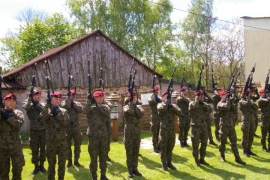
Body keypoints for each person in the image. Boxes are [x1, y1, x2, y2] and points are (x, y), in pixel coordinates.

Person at [41, 92, 69, 180]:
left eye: (59, 99)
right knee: (51, 165)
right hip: (51, 142)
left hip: (62, 142)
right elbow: (42, 117)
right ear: (52, 100)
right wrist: (47, 106)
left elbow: (66, 122)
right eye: (55, 99)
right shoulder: (47, 111)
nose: (57, 101)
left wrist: (56, 114)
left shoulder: (64, 111)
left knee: (62, 165)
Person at [83, 90, 110, 180]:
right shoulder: (90, 107)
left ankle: (103, 175)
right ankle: (94, 176)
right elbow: (84, 110)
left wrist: (97, 104)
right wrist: (88, 100)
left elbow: (106, 111)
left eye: (102, 97)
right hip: (93, 137)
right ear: (94, 98)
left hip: (103, 136)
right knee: (93, 158)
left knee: (103, 157)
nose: (100, 99)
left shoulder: (105, 106)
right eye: (98, 97)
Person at [0, 93, 25, 180]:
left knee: (18, 169)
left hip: (16, 146)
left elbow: (18, 125)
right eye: (9, 101)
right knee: (3, 171)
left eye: (13, 101)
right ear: (4, 101)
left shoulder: (18, 113)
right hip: (2, 146)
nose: (11, 102)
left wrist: (7, 117)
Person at [217, 90, 246, 165]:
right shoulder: (219, 104)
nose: (225, 96)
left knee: (234, 142)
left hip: (231, 126)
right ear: (221, 96)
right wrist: (228, 100)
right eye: (224, 95)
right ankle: (222, 156)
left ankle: (237, 158)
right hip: (224, 126)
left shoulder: (229, 102)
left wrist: (232, 98)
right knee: (222, 142)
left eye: (226, 95)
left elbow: (234, 109)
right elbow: (227, 107)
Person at [23, 90, 46, 174]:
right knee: (34, 149)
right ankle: (36, 166)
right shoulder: (30, 105)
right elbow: (26, 107)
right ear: (33, 96)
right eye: (36, 95)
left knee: (43, 148)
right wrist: (29, 99)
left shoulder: (42, 104)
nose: (38, 96)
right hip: (34, 131)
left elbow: (45, 111)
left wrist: (37, 104)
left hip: (43, 130)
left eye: (39, 95)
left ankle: (42, 165)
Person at [158, 90, 181, 171]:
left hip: (171, 129)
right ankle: (164, 163)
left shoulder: (172, 105)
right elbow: (162, 109)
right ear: (163, 97)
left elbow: (180, 112)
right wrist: (167, 102)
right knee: (164, 146)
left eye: (168, 96)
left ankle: (169, 162)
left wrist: (172, 106)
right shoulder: (160, 104)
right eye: (166, 96)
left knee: (171, 146)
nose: (167, 97)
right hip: (164, 129)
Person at [123, 90, 144, 178]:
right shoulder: (126, 107)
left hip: (136, 133)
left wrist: (135, 105)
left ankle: (135, 169)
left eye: (135, 97)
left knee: (136, 152)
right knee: (129, 153)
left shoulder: (139, 106)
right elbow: (130, 112)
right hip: (129, 133)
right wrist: (131, 103)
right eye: (133, 97)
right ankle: (130, 171)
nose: (134, 98)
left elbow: (141, 114)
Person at [61, 90, 83, 167]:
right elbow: (64, 107)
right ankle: (69, 161)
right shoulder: (64, 102)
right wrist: (68, 101)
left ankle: (76, 160)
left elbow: (80, 109)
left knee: (77, 144)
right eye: (70, 95)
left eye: (73, 95)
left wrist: (73, 104)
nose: (72, 96)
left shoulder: (77, 103)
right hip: (67, 127)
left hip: (76, 126)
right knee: (67, 145)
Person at [189, 90, 211, 166]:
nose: (202, 97)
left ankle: (202, 159)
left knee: (204, 143)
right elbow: (194, 106)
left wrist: (203, 104)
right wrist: (197, 100)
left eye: (202, 96)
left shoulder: (203, 104)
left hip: (203, 127)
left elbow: (210, 110)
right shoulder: (192, 103)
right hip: (195, 127)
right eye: (200, 96)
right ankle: (196, 160)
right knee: (195, 145)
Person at [239, 89, 257, 157]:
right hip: (246, 120)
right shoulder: (241, 101)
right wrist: (249, 99)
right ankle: (244, 150)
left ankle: (249, 149)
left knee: (251, 135)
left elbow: (256, 107)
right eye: (248, 93)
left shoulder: (251, 100)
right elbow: (247, 103)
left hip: (252, 120)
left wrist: (250, 100)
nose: (250, 94)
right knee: (245, 136)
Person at [148, 85, 162, 153]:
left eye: (157, 92)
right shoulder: (151, 99)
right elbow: (152, 101)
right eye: (155, 92)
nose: (156, 93)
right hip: (154, 119)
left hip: (160, 118)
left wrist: (157, 97)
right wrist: (153, 95)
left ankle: (159, 146)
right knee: (155, 134)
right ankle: (155, 147)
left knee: (160, 133)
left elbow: (161, 101)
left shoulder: (159, 98)